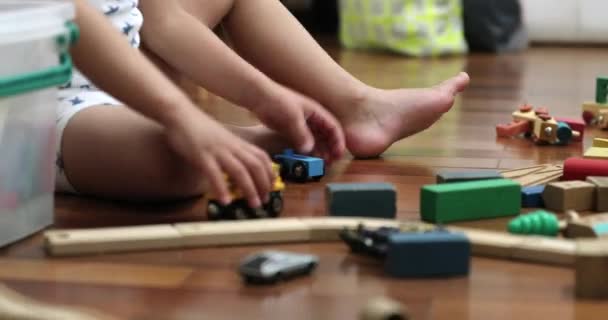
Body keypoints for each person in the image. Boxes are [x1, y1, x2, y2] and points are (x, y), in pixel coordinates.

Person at [59, 0, 469, 207]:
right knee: (177, 163)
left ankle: (358, 106)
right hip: (44, 99)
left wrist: (264, 94)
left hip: (128, 57)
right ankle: (250, 141)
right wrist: (182, 115)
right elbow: (72, 18)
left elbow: (165, 20)